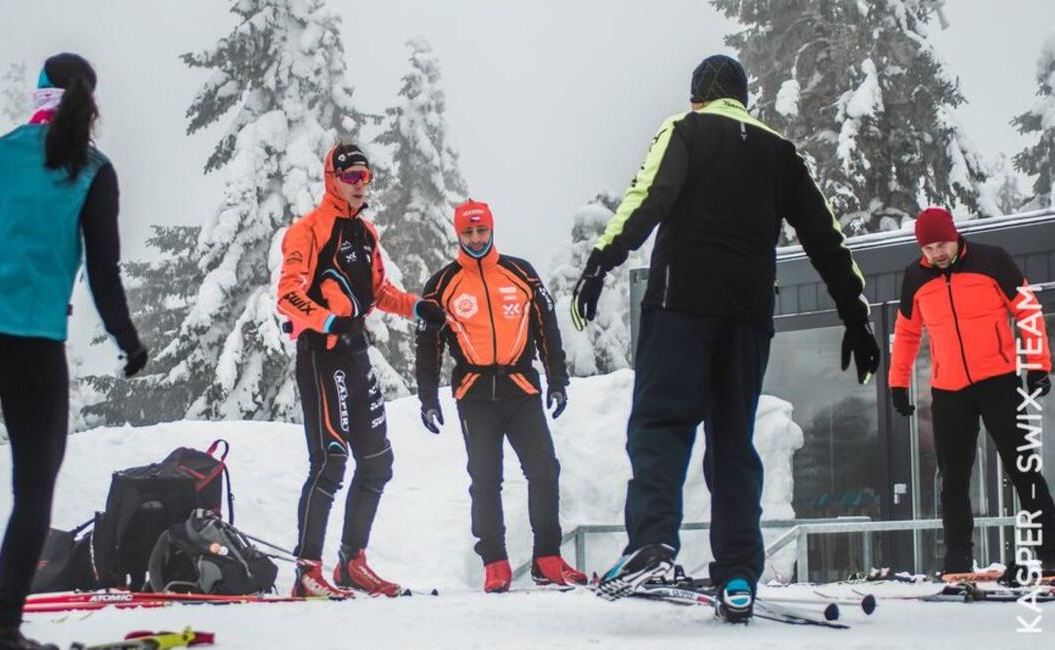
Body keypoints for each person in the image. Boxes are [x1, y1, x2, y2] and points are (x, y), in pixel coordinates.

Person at [572, 55, 878, 622]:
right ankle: (738, 570)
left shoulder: (685, 130)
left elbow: (647, 198)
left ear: (698, 97)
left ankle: (652, 544)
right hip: (746, 314)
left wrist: (600, 263)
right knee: (733, 440)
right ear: (744, 100)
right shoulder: (780, 153)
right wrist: (856, 316)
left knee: (661, 423)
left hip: (680, 303)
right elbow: (825, 236)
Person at [0, 53, 147, 650]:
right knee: (33, 490)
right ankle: (3, 631)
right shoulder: (93, 168)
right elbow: (103, 270)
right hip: (31, 347)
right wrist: (126, 339)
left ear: (39, 95)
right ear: (89, 101)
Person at [276, 143, 446, 599]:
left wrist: (418, 308)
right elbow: (288, 296)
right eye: (351, 175)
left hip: (355, 353)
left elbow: (379, 291)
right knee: (330, 461)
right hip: (321, 352)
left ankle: (353, 563)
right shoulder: (307, 231)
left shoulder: (366, 234)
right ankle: (308, 571)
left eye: (365, 176)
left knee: (377, 462)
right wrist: (331, 324)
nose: (359, 183)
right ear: (332, 177)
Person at [415, 199, 587, 593]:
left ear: (492, 230)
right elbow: (428, 346)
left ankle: (548, 558)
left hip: (521, 389)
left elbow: (547, 327)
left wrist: (558, 379)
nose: (476, 238)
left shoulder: (521, 273)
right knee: (485, 479)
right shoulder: (441, 284)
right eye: (468, 232)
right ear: (458, 234)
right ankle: (495, 562)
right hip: (474, 394)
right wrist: (428, 397)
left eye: (481, 230)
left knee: (544, 470)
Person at [889, 207, 1055, 573]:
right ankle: (958, 560)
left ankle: (1049, 556)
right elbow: (906, 332)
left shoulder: (992, 260)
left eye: (941, 244)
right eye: (928, 247)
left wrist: (1037, 366)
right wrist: (897, 383)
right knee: (953, 479)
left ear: (955, 236)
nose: (936, 253)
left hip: (998, 381)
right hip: (949, 390)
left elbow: (1027, 310)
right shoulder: (914, 277)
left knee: (1022, 468)